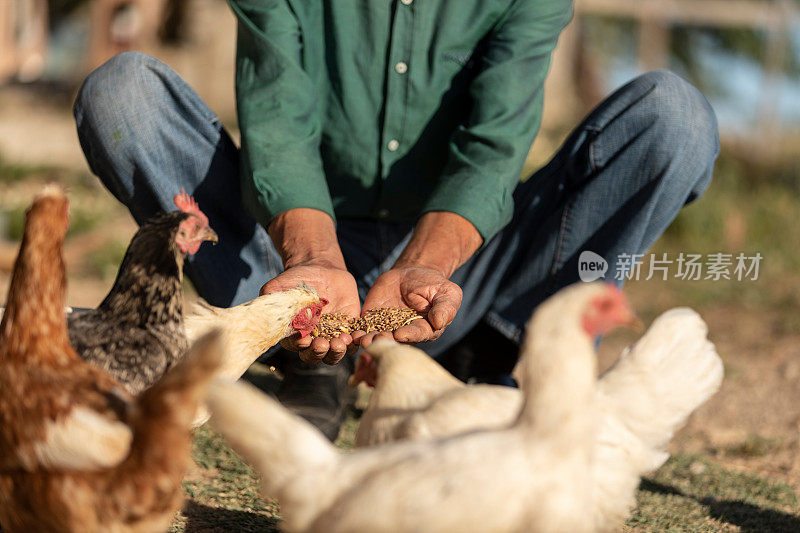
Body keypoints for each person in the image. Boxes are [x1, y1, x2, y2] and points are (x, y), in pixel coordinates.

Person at [73, 0, 719, 441]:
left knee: (676, 122)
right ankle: (301, 350)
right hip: (288, 254)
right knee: (121, 97)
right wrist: (313, 260)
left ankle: (482, 356)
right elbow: (276, 115)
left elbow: (492, 148)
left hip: (457, 267)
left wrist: (426, 266)